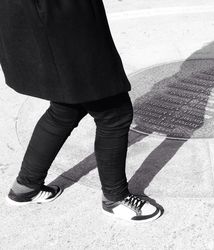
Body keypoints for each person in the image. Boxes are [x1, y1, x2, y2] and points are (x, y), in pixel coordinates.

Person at [0, 0, 161, 222]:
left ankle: (26, 186)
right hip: (63, 18)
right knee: (113, 112)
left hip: (29, 16)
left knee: (66, 106)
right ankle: (115, 198)